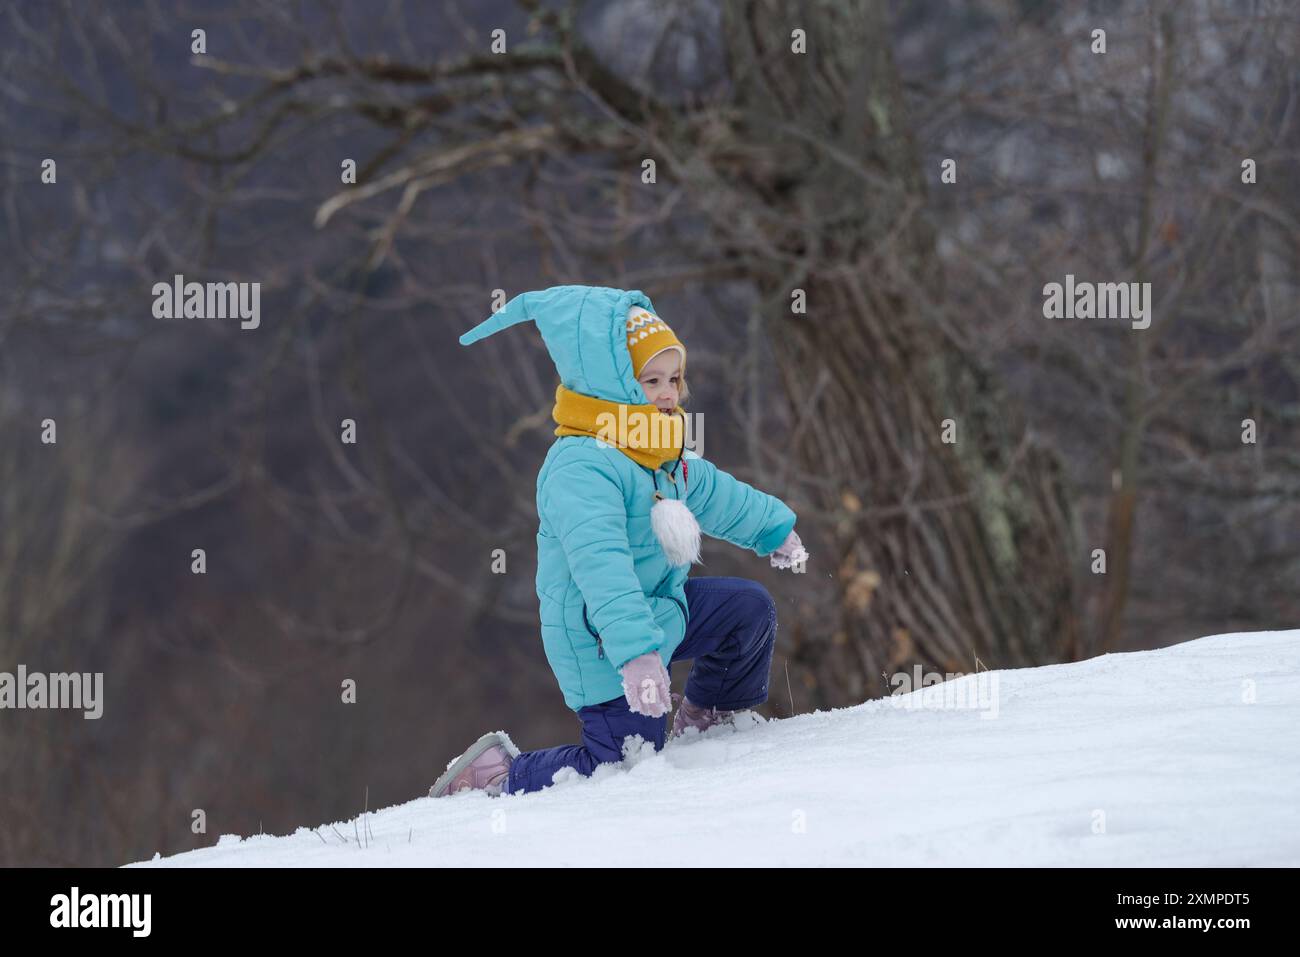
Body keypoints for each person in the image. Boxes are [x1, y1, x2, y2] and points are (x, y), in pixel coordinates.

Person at [430, 285, 808, 798]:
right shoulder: (579, 467)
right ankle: (497, 775)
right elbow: (601, 567)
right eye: (651, 381)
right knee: (626, 761)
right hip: (599, 638)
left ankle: (707, 725)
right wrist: (635, 655)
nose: (669, 393)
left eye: (674, 378)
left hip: (658, 611)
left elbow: (717, 494)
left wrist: (773, 529)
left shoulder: (659, 449)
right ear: (612, 389)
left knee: (747, 609)